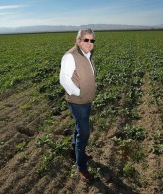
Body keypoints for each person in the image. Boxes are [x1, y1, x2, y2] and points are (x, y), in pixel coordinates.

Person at [59, 28, 96, 183]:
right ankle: (81, 166)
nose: (89, 43)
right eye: (86, 40)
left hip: (86, 101)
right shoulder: (70, 56)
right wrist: (78, 92)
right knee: (84, 133)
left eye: (92, 40)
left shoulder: (87, 55)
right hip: (78, 101)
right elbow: (64, 79)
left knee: (79, 127)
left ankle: (75, 152)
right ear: (79, 40)